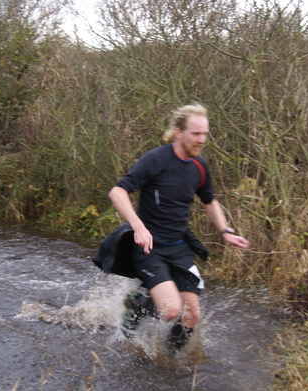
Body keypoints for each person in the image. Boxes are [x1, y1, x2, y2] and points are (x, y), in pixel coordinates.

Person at [107, 103, 250, 353]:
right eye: (196, 134)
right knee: (172, 310)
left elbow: (209, 201)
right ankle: (136, 304)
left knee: (191, 316)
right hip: (149, 248)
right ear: (178, 132)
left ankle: (170, 360)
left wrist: (225, 231)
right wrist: (138, 227)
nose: (202, 140)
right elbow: (118, 191)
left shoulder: (199, 167)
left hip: (180, 248)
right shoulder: (156, 160)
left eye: (205, 134)